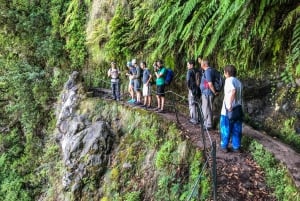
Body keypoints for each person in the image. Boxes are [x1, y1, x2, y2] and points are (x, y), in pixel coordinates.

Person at [220, 64, 243, 153]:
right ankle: (236, 146)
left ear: (227, 73)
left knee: (225, 128)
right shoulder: (239, 82)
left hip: (229, 110)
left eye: (224, 72)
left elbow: (233, 91)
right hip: (238, 109)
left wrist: (229, 105)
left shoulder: (229, 80)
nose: (224, 74)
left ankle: (224, 146)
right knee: (237, 128)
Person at [200, 59, 218, 130]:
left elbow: (210, 84)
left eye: (201, 63)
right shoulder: (210, 70)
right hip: (207, 92)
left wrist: (214, 92)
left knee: (207, 108)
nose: (200, 64)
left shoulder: (208, 71)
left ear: (204, 64)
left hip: (207, 93)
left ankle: (208, 124)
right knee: (207, 107)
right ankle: (207, 123)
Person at [186, 60, 198, 124]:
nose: (187, 66)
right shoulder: (197, 70)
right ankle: (198, 118)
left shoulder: (189, 71)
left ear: (191, 65)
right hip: (197, 89)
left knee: (192, 103)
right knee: (197, 104)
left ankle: (193, 119)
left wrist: (189, 88)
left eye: (188, 65)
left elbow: (188, 81)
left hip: (192, 89)